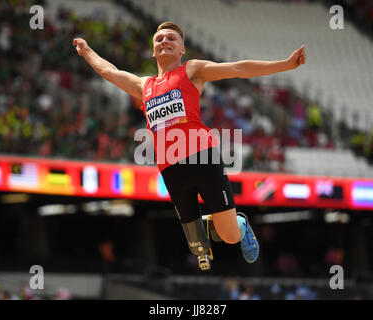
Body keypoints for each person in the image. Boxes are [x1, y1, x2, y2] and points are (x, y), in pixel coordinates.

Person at [73, 21, 306, 270]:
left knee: (230, 237)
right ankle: (204, 230)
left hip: (203, 158)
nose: (164, 41)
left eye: (171, 38)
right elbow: (109, 71)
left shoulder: (192, 71)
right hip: (171, 168)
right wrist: (87, 51)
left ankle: (240, 223)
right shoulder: (144, 87)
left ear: (182, 48)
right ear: (153, 50)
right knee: (197, 248)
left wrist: (285, 64)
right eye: (159, 39)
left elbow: (238, 68)